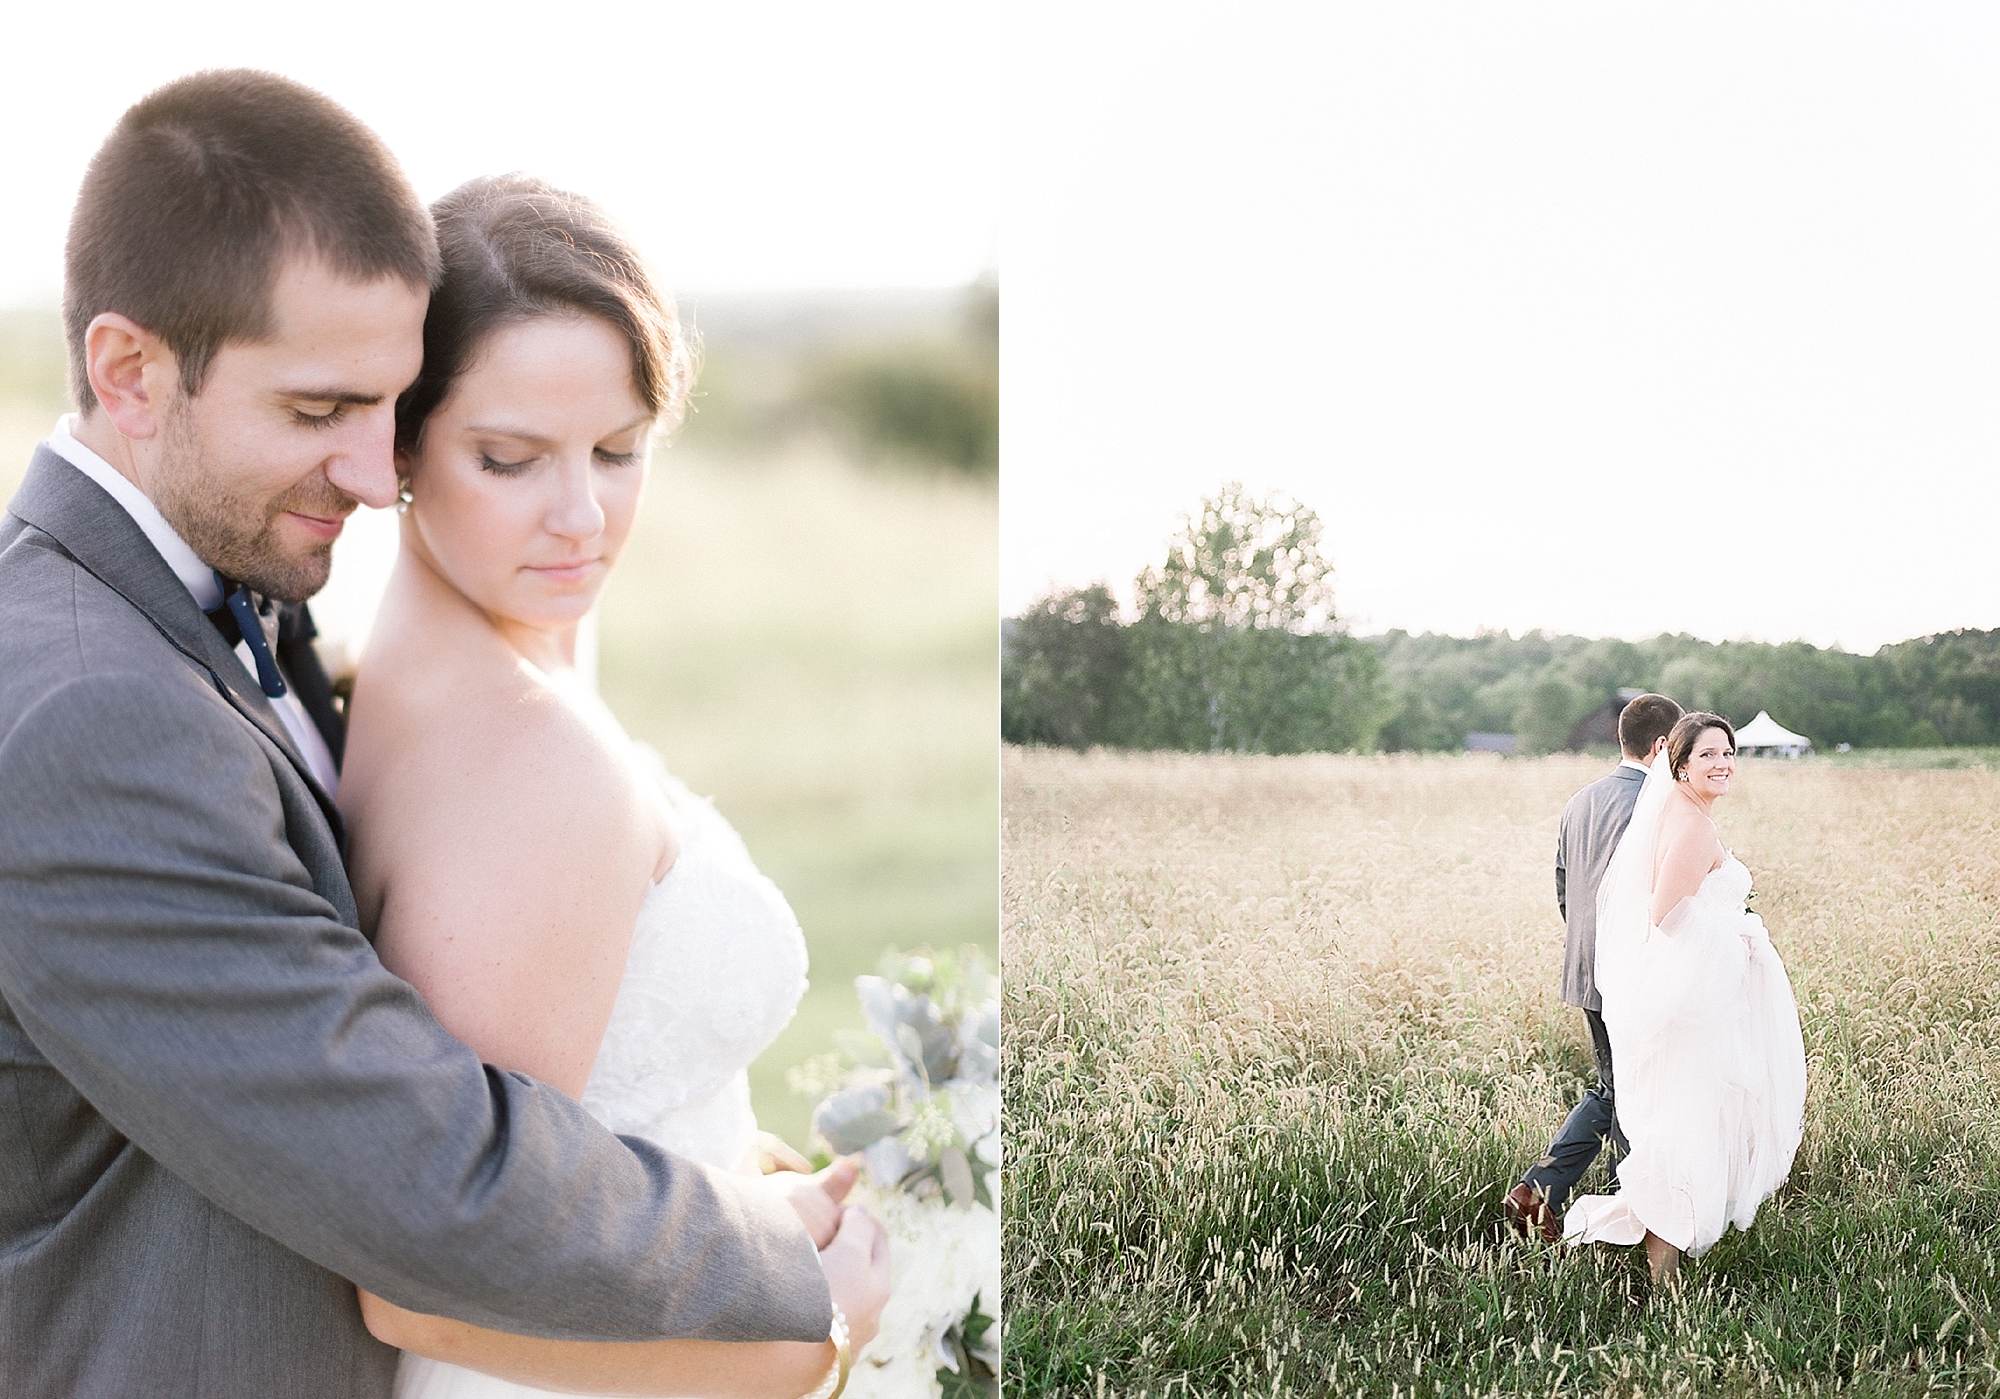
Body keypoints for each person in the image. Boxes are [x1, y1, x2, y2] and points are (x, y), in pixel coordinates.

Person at [0, 71, 865, 1399]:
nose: (372, 468)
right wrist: (802, 1291)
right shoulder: (90, 707)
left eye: (386, 408)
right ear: (130, 372)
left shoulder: (216, 613)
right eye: (318, 409)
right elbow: (425, 1172)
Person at [335, 172, 889, 1398]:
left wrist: (738, 1176)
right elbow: (424, 1282)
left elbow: (587, 1121)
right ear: (401, 443)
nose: (581, 514)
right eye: (509, 458)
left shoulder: (442, 659)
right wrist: (812, 1334)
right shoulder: (528, 759)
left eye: (620, 450)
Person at [1562, 713, 1808, 1281]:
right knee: (1687, 1128)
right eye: (1708, 755)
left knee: (1681, 1126)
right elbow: (1666, 914)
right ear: (1679, 763)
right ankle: (1660, 1272)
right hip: (1692, 1007)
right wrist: (1739, 938)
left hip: (1686, 999)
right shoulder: (1694, 827)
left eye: (1729, 753)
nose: (1722, 764)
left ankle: (1659, 1264)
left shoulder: (1676, 813)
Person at [1504, 692, 1683, 1242]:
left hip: (1586, 970)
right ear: (1661, 746)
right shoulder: (1659, 805)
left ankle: (1541, 1192)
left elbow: (1565, 888)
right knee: (1639, 1092)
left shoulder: (1581, 800)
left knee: (1616, 1088)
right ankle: (1623, 1217)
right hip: (1637, 976)